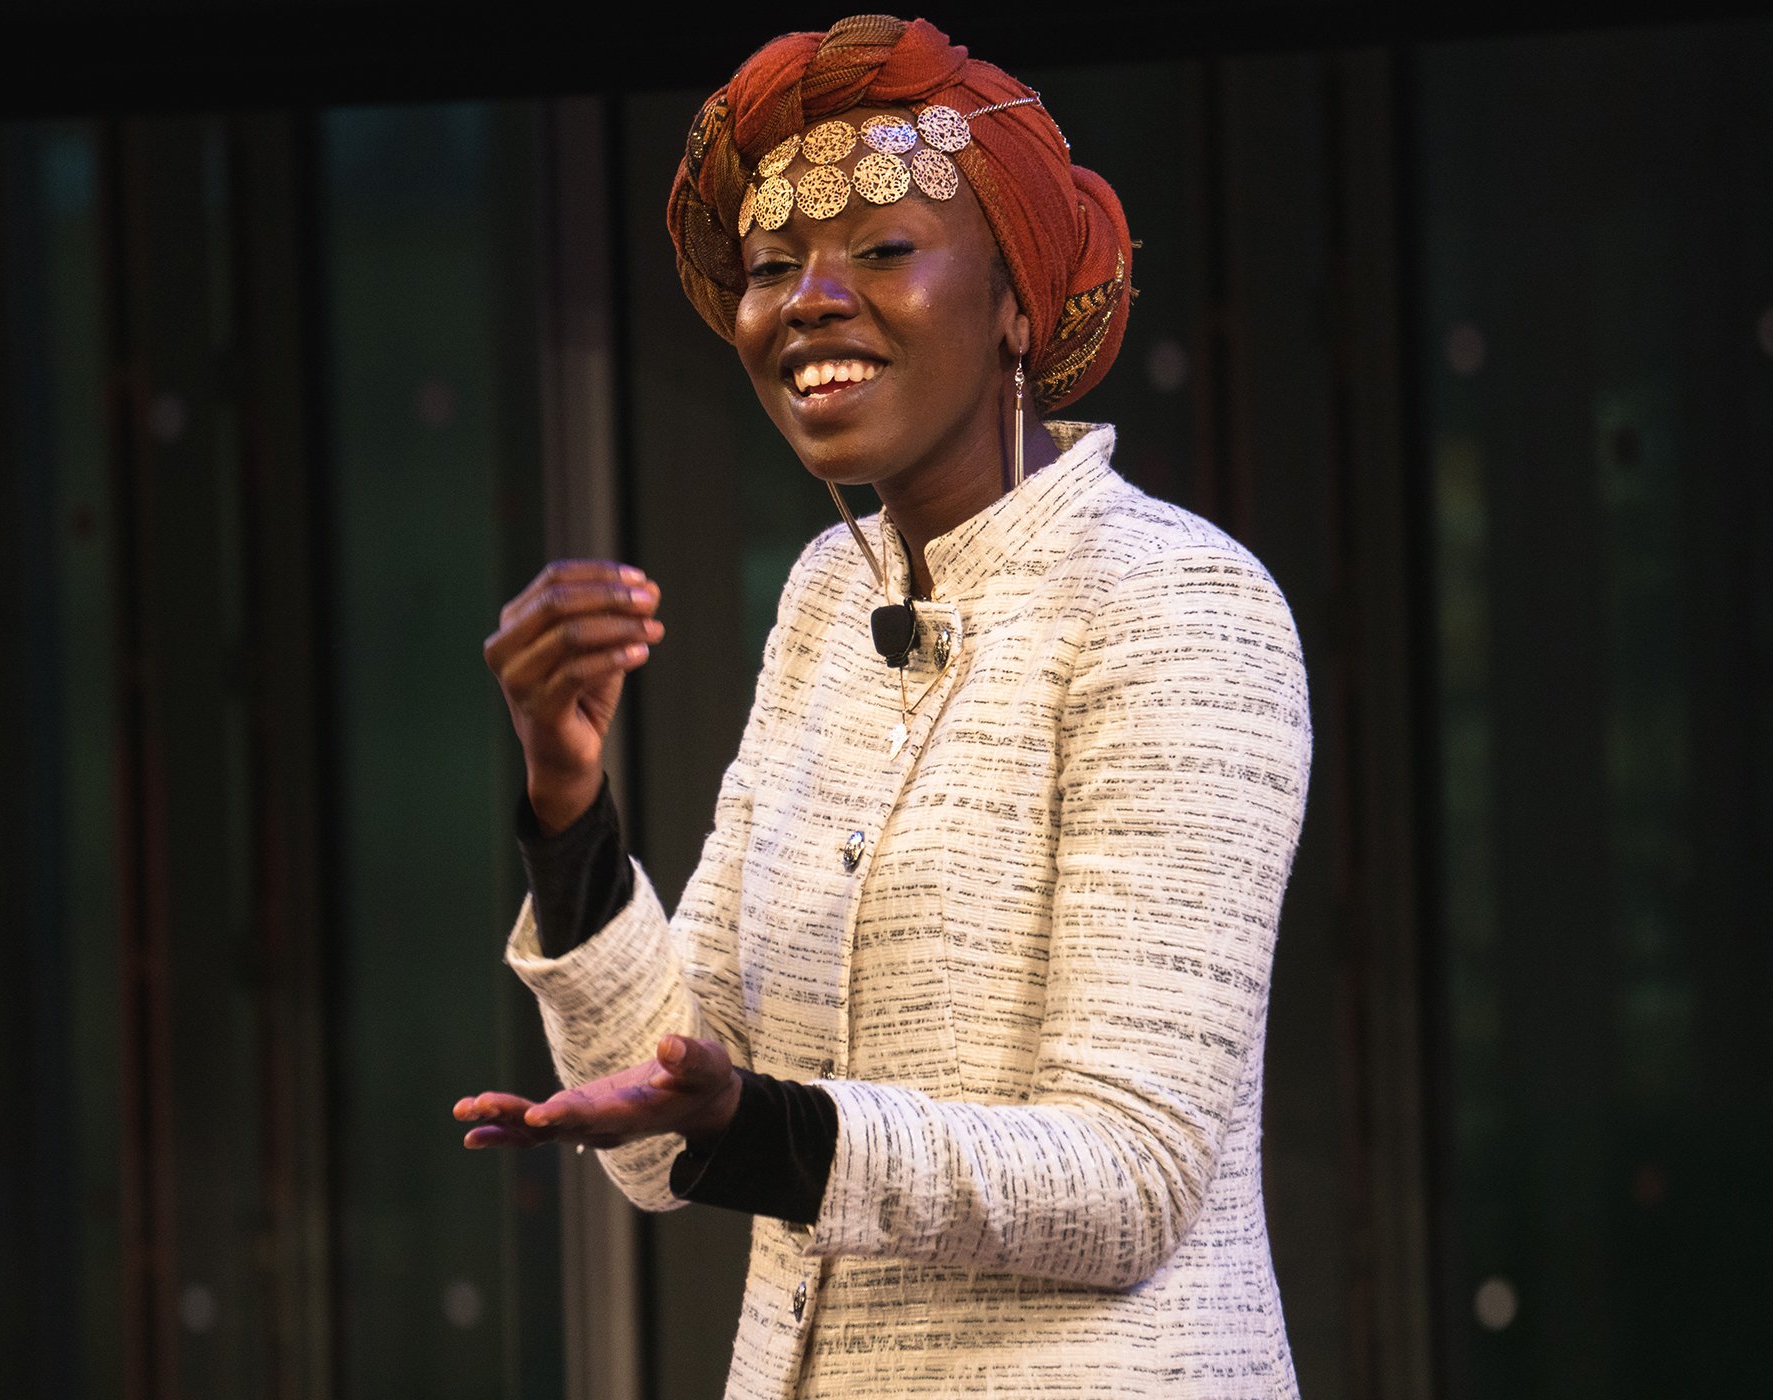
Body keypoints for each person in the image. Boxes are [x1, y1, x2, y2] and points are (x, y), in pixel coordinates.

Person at [457, 15, 1311, 1397]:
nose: (807, 298)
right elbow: (668, 1121)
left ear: (1020, 305)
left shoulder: (1177, 605)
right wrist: (568, 809)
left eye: (881, 250)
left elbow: (1132, 1178)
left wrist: (770, 1128)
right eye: (773, 266)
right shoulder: (822, 602)